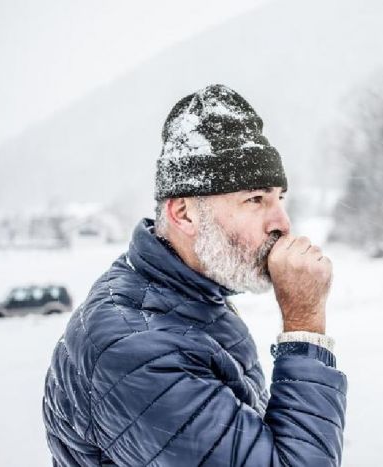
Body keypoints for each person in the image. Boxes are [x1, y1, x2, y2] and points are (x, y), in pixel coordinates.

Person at [42, 84, 347, 466]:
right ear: (184, 214)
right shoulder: (137, 353)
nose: (282, 224)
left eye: (279, 198)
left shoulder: (185, 297)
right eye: (255, 199)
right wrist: (305, 327)